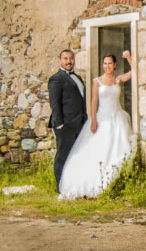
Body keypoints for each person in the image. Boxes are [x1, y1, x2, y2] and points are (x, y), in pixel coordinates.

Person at [58, 50, 135, 199]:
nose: (107, 66)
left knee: (117, 147)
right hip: (102, 118)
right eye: (105, 63)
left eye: (110, 63)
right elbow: (93, 103)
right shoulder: (97, 81)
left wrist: (129, 58)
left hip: (117, 117)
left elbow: (134, 72)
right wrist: (93, 120)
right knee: (96, 149)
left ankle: (115, 182)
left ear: (115, 65)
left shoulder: (118, 79)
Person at [47, 49, 88, 188]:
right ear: (60, 61)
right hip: (65, 125)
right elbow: (54, 103)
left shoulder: (78, 78)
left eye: (71, 58)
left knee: (77, 156)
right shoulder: (56, 79)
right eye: (65, 58)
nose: (69, 61)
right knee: (63, 157)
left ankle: (73, 185)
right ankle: (60, 187)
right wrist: (59, 125)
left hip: (80, 123)